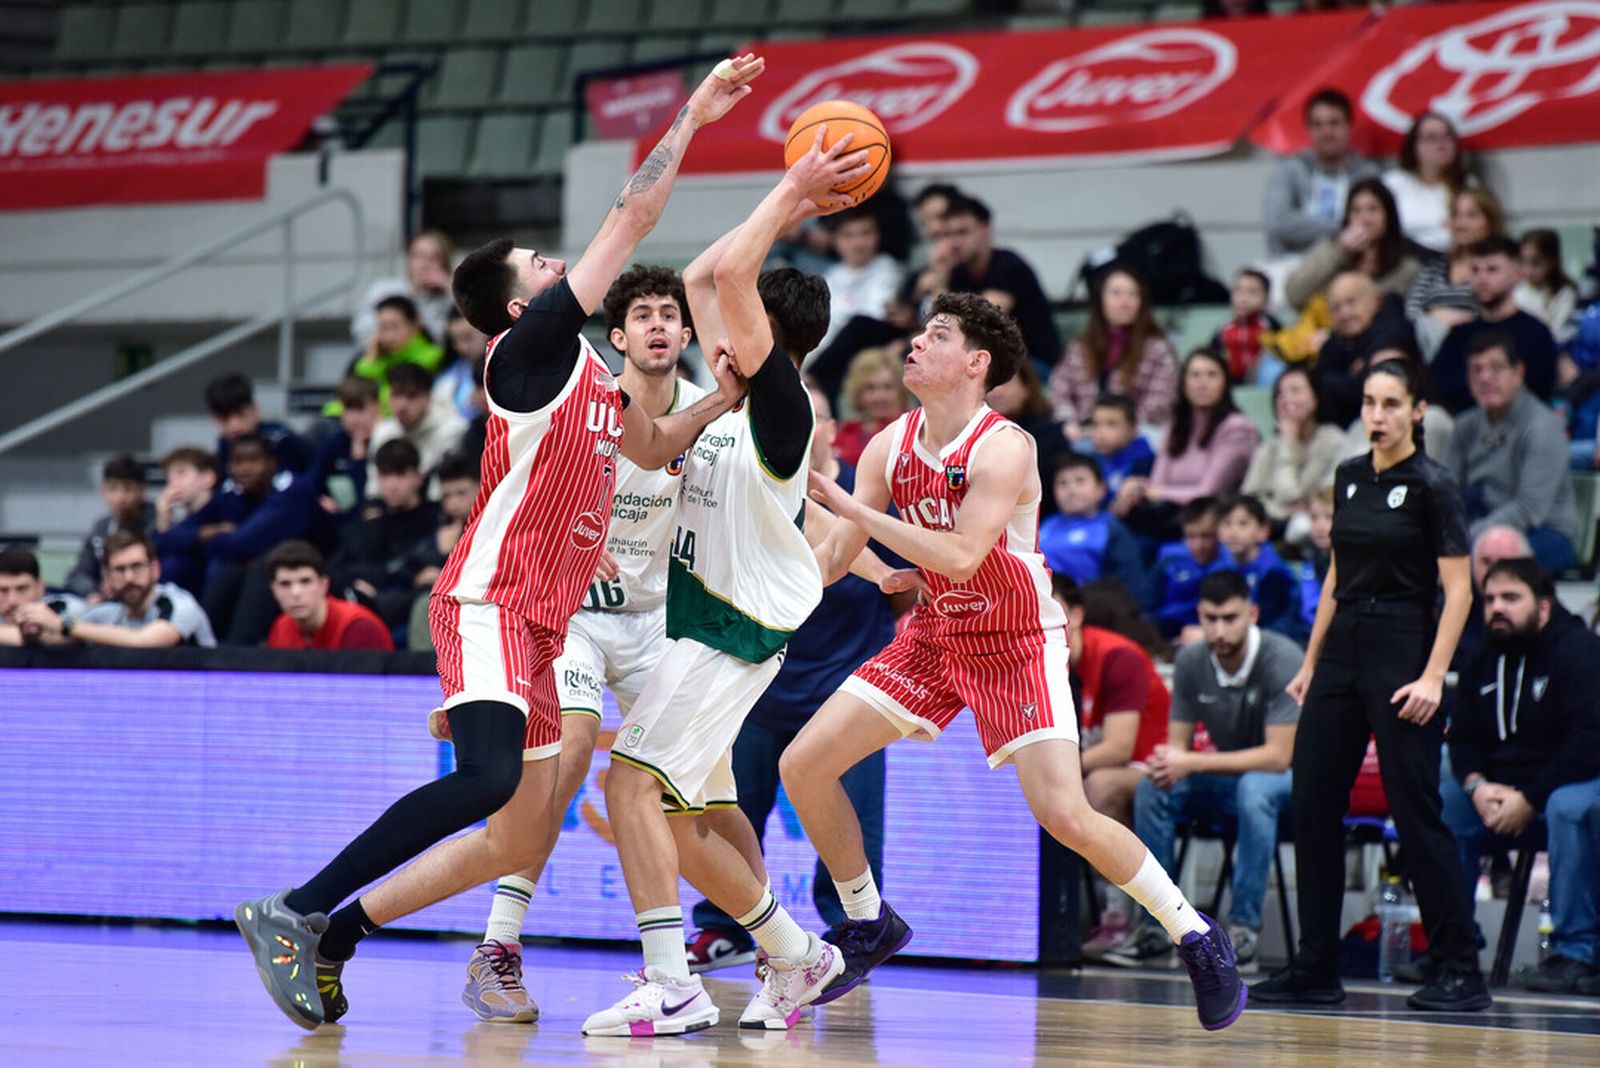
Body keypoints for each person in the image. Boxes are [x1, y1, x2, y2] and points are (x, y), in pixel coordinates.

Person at [232, 54, 762, 1032]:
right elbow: (632, 217)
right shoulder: (525, 353)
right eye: (540, 264)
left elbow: (650, 444)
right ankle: (296, 908)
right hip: (491, 598)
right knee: (486, 780)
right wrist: (693, 114)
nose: (556, 264)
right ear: (521, 308)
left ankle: (336, 937)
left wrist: (724, 400)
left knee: (516, 833)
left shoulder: (591, 377)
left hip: (541, 627)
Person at [801, 290, 1247, 1032]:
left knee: (1065, 813)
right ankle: (868, 919)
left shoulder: (1005, 446)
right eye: (920, 332)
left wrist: (857, 511)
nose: (917, 343)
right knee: (805, 765)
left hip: (1015, 642)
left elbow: (961, 554)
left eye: (937, 335)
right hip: (935, 635)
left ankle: (1195, 934)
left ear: (976, 363)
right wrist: (771, 550)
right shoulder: (887, 445)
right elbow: (830, 562)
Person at [585, 135, 872, 1037]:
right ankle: (795, 953)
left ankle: (672, 981)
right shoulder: (728, 403)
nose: (707, 332)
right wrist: (791, 204)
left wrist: (793, 189)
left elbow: (733, 276)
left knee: (630, 788)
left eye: (729, 327)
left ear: (763, 340)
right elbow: (707, 275)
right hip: (702, 624)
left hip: (734, 628)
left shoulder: (784, 406)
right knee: (681, 811)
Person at [454, 264, 709, 1023]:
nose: (659, 324)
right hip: (577, 616)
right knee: (564, 763)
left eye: (670, 313)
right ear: (618, 337)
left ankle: (773, 953)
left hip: (661, 621)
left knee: (705, 799)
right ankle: (498, 944)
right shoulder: (587, 394)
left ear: (687, 332)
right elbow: (520, 484)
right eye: (643, 314)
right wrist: (570, 535)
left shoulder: (712, 413)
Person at [1253, 359, 1491, 1012]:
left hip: (1403, 644)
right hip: (1342, 648)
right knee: (1312, 803)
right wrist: (1311, 661)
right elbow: (1337, 573)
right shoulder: (1349, 475)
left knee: (1414, 810)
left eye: (1390, 404)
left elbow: (1459, 591)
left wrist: (1434, 676)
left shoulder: (1434, 485)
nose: (1377, 416)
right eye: (1368, 403)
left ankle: (1460, 969)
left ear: (1417, 410)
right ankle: (1315, 966)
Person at [683, 384, 908, 974]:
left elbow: (900, 583)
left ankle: (848, 934)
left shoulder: (869, 494)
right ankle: (724, 927)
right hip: (762, 684)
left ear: (832, 429)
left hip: (848, 688)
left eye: (816, 416)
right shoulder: (753, 488)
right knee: (730, 807)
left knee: (853, 820)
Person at [1105, 569, 1298, 975]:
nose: (1219, 630)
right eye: (1211, 619)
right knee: (1154, 787)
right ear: (1199, 616)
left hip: (1289, 785)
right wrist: (1167, 762)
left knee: (1256, 789)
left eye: (1230, 618)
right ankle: (1158, 929)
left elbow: (1278, 757)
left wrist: (1190, 761)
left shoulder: (1282, 658)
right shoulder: (1192, 660)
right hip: (1230, 782)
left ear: (1252, 615)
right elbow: (1178, 748)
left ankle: (1243, 932)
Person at [1444, 559, 1600, 995]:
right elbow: (1462, 738)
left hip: (1568, 786)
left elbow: (1589, 743)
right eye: (1490, 599)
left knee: (1569, 807)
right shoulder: (1481, 656)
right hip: (1501, 794)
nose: (1497, 608)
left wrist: (1530, 798)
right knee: (1443, 799)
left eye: (1511, 598)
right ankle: (1452, 947)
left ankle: (1577, 953)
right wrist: (1476, 786)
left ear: (1543, 607)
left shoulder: (1580, 652)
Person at [1053, 574, 1171, 960]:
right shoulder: (1042, 663)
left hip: (1155, 766)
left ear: (1076, 616)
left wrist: (1056, 769)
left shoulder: (1117, 656)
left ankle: (1117, 917)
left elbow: (1118, 749)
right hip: (1095, 764)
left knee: (1099, 786)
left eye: (1052, 610)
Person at [1444, 334, 1577, 574]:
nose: (1485, 377)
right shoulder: (1465, 426)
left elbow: (1529, 509)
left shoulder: (1542, 427)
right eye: (1476, 370)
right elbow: (1447, 493)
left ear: (1518, 373)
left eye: (1496, 368)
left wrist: (1473, 536)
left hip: (1543, 532)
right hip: (1480, 520)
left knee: (1478, 561)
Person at [192, 433, 322, 645]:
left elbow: (238, 542)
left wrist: (209, 540)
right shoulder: (232, 494)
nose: (245, 469)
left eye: (253, 460)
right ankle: (196, 648)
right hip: (260, 570)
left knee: (261, 568)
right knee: (232, 569)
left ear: (271, 463)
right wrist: (204, 533)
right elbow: (172, 536)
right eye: (238, 462)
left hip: (319, 570)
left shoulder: (292, 490)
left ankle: (239, 652)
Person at [1120, 349, 1259, 534]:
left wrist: (1157, 492)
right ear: (1183, 382)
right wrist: (1140, 489)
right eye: (1195, 375)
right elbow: (1157, 483)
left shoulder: (1237, 428)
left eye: (1212, 375)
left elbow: (1208, 492)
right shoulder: (1176, 426)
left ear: (1225, 383)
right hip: (1167, 513)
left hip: (1210, 517)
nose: (1202, 382)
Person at [918, 194, 1060, 368]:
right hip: (984, 360)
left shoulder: (1008, 265)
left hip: (1033, 363)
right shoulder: (956, 272)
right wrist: (940, 277)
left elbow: (982, 322)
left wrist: (942, 290)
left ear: (985, 230)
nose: (955, 242)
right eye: (949, 234)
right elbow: (935, 325)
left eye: (962, 232)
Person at [13, 531, 216, 648]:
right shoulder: (107, 615)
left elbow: (144, 642)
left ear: (155, 569)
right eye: (119, 570)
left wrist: (63, 625)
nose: (129, 578)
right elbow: (58, 638)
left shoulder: (178, 603)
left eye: (137, 567)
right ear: (108, 578)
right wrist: (34, 634)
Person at [1431, 236, 1561, 413]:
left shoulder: (1536, 333)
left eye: (1492, 270)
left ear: (1517, 274)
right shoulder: (1459, 334)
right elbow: (1436, 384)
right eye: (1475, 270)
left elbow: (1538, 389)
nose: (1482, 279)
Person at [329, 440, 440, 637]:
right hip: (365, 613)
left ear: (418, 477)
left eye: (400, 474)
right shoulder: (369, 524)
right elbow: (334, 569)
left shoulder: (438, 522)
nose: (392, 485)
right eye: (385, 475)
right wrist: (358, 585)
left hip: (413, 620)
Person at [1049, 265, 1179, 433]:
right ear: (1100, 300)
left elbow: (1158, 403)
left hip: (1137, 433)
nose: (1125, 301)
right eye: (1116, 293)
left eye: (1133, 294)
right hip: (1082, 432)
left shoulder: (1158, 349)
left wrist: (1118, 427)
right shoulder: (1080, 347)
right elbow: (1059, 389)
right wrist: (1069, 423)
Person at [1263, 87, 1379, 257]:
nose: (1326, 132)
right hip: (1291, 263)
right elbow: (1279, 222)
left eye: (1334, 123)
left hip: (1349, 263)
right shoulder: (1289, 170)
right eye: (1317, 125)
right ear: (1308, 129)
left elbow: (1373, 226)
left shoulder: (1367, 175)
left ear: (1349, 126)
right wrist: (1343, 227)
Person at [1240, 366, 1345, 544]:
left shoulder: (1331, 440)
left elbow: (1291, 495)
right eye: (1280, 393)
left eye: (1295, 390)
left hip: (1315, 528)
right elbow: (1248, 498)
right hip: (1272, 525)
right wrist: (1279, 511)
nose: (1286, 399)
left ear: (1316, 396)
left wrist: (1289, 441)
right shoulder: (1269, 447)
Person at [1284, 177, 1422, 312]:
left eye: (1372, 209)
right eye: (1356, 210)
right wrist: (1339, 252)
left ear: (1388, 216)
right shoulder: (1331, 248)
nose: (1364, 219)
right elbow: (1294, 296)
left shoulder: (1407, 266)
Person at [1037, 453, 1146, 602]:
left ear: (1101, 489)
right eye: (1062, 483)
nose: (1071, 490)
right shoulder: (1044, 525)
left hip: (1090, 607)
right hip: (1038, 604)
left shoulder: (1113, 531)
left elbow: (1129, 588)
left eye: (1080, 481)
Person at [1314, 273, 1417, 429]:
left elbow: (1376, 388)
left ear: (1376, 300)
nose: (1345, 313)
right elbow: (1316, 387)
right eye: (1336, 308)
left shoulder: (1393, 330)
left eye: (1351, 302)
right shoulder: (1333, 344)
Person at [1404, 185, 1506, 333]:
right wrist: (1433, 320)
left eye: (1471, 216)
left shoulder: (1500, 267)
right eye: (1456, 215)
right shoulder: (1435, 267)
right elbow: (1411, 311)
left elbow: (1501, 312)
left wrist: (1459, 321)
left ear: (1490, 222)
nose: (1461, 224)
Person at [265, 540, 392, 651]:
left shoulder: (359, 627)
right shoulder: (280, 628)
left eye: (306, 581)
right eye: (285, 584)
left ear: (324, 586)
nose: (295, 593)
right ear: (274, 590)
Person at [985, 359, 1072, 516]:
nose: (997, 392)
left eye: (1006, 384)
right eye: (992, 385)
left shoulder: (1049, 433)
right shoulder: (976, 432)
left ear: (1026, 388)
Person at [64, 454, 155, 601]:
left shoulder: (156, 525)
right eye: (113, 489)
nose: (120, 497)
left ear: (142, 491)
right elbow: (78, 574)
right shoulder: (101, 527)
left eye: (127, 489)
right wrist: (92, 592)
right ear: (103, 490)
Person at [1146, 496, 1235, 641]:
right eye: (1191, 537)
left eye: (1206, 536)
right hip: (1164, 631)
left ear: (1219, 532)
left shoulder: (1230, 565)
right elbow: (1147, 603)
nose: (1199, 545)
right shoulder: (1169, 560)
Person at [368, 363, 469, 490]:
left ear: (429, 397)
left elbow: (441, 490)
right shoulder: (383, 431)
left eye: (412, 396)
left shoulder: (452, 430)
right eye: (396, 395)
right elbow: (374, 490)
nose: (402, 405)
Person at [817, 206, 903, 353]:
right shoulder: (830, 277)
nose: (858, 243)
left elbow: (871, 320)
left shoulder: (890, 271)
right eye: (848, 235)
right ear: (834, 240)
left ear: (878, 235)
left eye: (865, 233)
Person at [351, 229, 456, 348]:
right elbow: (360, 329)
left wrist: (451, 288)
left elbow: (451, 339)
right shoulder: (384, 289)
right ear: (409, 260)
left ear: (445, 263)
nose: (425, 264)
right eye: (420, 256)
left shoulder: (447, 298)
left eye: (434, 258)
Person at [1382, 112, 1469, 254]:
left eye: (1447, 136)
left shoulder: (1468, 187)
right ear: (1414, 146)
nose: (1441, 144)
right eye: (1431, 137)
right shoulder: (1393, 183)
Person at [1216, 494, 1299, 638]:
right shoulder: (1220, 567)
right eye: (1227, 523)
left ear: (1263, 531)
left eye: (1243, 524)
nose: (1233, 532)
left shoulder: (1272, 572)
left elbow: (1269, 622)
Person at [205, 372, 311, 478]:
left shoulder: (281, 440)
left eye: (241, 415)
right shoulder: (224, 445)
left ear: (255, 410)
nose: (234, 426)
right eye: (225, 418)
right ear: (215, 420)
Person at [306, 376, 380, 516]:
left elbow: (364, 500)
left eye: (360, 409)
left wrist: (359, 460)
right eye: (348, 409)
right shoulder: (335, 441)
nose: (353, 418)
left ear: (376, 408)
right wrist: (319, 500)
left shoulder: (386, 440)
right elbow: (310, 483)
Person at [153, 447, 218, 596]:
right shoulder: (182, 525)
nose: (172, 483)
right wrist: (164, 519)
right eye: (169, 478)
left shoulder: (222, 510)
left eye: (181, 473)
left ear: (208, 478)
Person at [833, 346, 911, 467]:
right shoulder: (848, 431)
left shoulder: (910, 429)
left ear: (901, 390)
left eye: (888, 387)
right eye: (870, 388)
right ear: (858, 393)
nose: (879, 397)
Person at [0, 546, 85, 647]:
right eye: (3, 590)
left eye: (22, 589)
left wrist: (60, 626)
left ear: (40, 588)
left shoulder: (71, 610)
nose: (12, 600)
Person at [1211, 268, 1281, 385]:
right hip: (1230, 381)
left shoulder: (1269, 325)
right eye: (1238, 290)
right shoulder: (1225, 326)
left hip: (1259, 380)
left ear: (1266, 299)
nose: (1243, 298)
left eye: (1252, 292)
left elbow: (1282, 350)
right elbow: (1213, 351)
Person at [1515, 228, 1580, 352]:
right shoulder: (1516, 291)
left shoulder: (1565, 293)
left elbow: (1556, 332)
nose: (1528, 270)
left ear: (1552, 261)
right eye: (1523, 262)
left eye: (1536, 263)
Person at [1089, 394, 1156, 512]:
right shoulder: (1093, 459)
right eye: (1095, 424)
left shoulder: (1145, 462)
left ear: (1133, 429)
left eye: (1111, 425)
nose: (1100, 433)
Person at [434, 309, 488, 421]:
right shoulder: (448, 373)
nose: (461, 347)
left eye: (468, 338)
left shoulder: (501, 368)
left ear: (485, 332)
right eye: (455, 340)